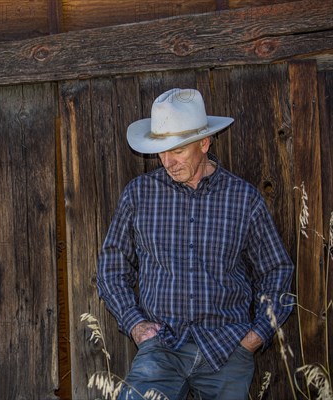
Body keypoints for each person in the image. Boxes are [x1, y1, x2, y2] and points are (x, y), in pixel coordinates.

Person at [96, 88, 294, 400]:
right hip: (161, 349)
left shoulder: (244, 200)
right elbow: (112, 266)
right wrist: (136, 326)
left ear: (204, 143)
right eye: (161, 151)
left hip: (227, 349)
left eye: (177, 151)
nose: (167, 161)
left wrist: (255, 337)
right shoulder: (139, 194)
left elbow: (277, 270)